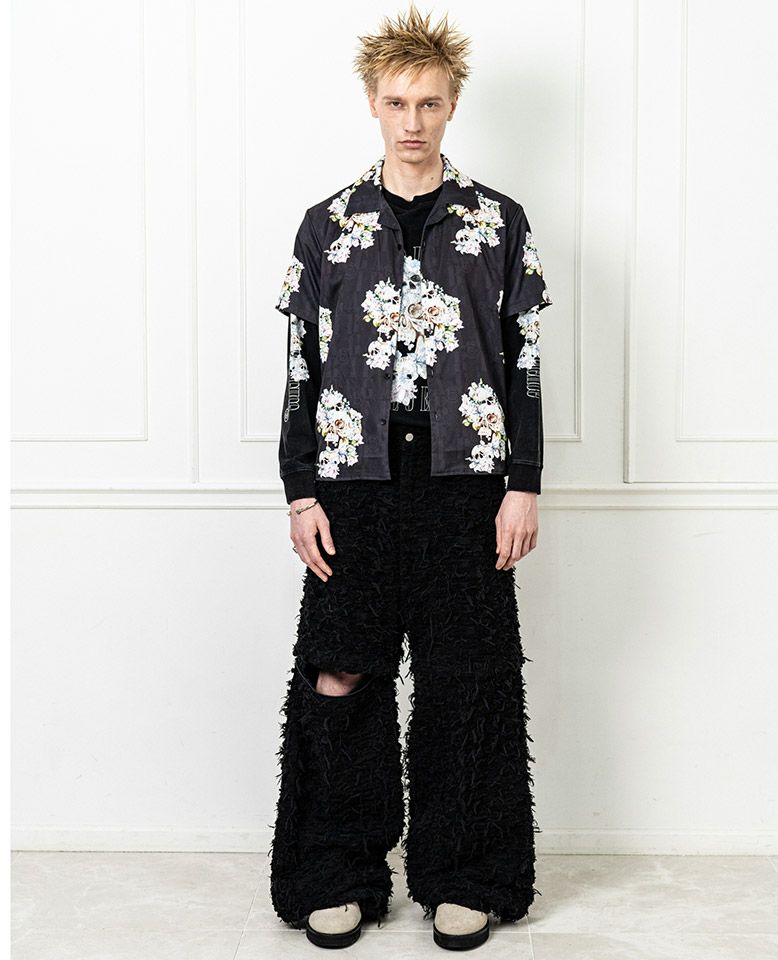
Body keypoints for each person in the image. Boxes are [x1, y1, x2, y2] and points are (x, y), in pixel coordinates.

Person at [268, 2, 553, 950]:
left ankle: (466, 874)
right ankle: (336, 871)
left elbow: (524, 364)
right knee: (340, 670)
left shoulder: (498, 223)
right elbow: (301, 371)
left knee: (465, 673)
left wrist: (524, 483)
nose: (413, 121)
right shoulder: (326, 227)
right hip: (352, 481)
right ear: (372, 104)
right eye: (397, 102)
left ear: (453, 104)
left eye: (429, 103)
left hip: (466, 480)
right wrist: (300, 491)